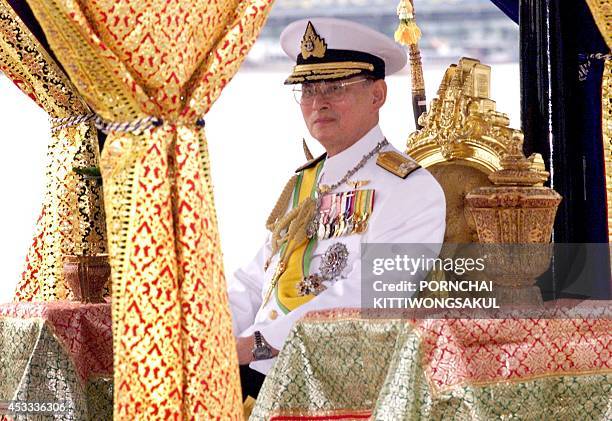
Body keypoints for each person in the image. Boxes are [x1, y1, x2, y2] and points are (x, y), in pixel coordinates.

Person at [227, 17, 446, 400]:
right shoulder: (302, 184)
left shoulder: (411, 188)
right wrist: (211, 337)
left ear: (377, 95)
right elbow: (255, 280)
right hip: (266, 374)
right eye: (309, 90)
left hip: (338, 386)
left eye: (336, 87)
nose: (319, 103)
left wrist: (255, 345)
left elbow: (370, 295)